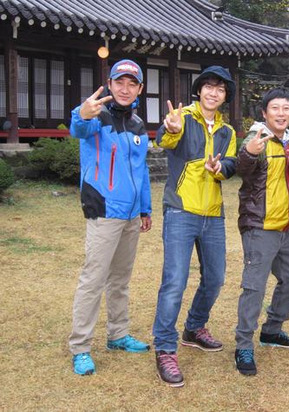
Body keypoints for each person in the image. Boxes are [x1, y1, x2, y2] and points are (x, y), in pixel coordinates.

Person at [152, 66, 237, 388]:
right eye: (209, 86)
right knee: (175, 281)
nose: (214, 93)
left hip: (213, 213)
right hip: (181, 210)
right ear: (199, 90)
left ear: (225, 96)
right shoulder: (183, 117)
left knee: (215, 278)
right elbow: (166, 139)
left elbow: (230, 165)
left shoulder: (227, 131)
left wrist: (220, 168)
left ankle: (194, 328)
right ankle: (165, 348)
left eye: (220, 89)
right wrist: (171, 128)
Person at [69, 59, 152, 375]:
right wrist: (81, 113)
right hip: (104, 211)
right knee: (93, 279)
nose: (125, 89)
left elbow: (141, 171)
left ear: (140, 89)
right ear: (110, 84)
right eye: (120, 82)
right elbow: (79, 128)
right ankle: (80, 347)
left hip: (131, 216)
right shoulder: (97, 116)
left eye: (132, 84)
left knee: (120, 279)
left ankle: (118, 334)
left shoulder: (138, 125)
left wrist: (145, 209)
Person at [234, 88, 289, 376]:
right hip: (259, 225)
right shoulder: (257, 138)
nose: (281, 113)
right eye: (275, 108)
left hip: (283, 227)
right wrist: (249, 153)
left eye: (286, 108)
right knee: (254, 286)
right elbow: (242, 169)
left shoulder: (288, 142)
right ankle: (243, 345)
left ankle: (272, 330)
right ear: (264, 113)